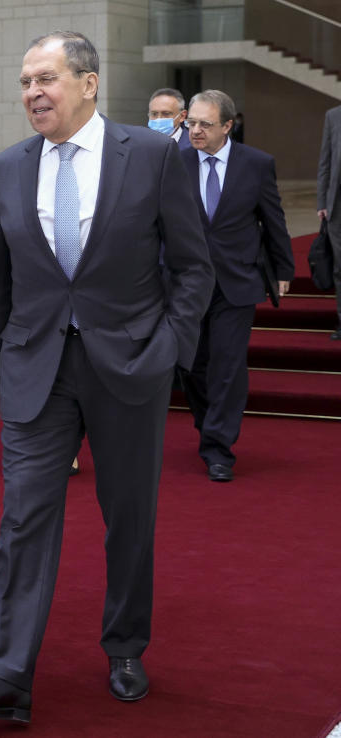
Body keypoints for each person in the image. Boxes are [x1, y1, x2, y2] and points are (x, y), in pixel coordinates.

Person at [0, 31, 213, 724]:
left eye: (47, 78)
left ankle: (125, 645)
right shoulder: (9, 166)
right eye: (25, 80)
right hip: (35, 366)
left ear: (88, 84)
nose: (33, 91)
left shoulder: (152, 155)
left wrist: (170, 348)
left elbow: (193, 266)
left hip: (131, 365)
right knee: (23, 518)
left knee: (128, 517)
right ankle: (7, 673)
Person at [180, 90, 293, 482]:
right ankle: (209, 425)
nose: (195, 130)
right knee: (192, 366)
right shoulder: (171, 162)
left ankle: (218, 449)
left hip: (237, 281)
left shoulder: (256, 164)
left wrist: (283, 268)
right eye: (190, 122)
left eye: (205, 124)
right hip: (186, 283)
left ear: (228, 126)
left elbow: (272, 219)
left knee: (228, 366)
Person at [317, 103, 341, 340]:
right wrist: (322, 201)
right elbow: (325, 162)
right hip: (338, 207)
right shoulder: (333, 116)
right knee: (340, 268)